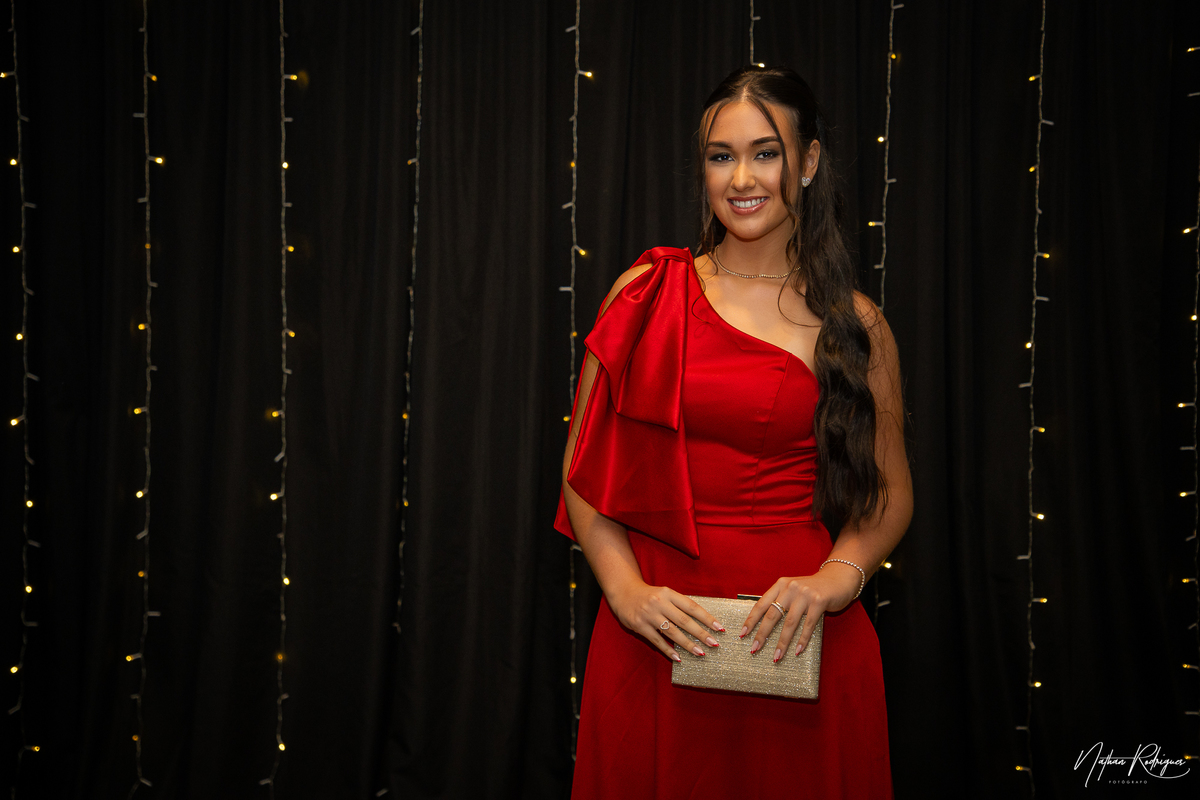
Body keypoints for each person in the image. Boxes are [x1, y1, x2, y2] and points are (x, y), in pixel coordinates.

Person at [555, 64, 912, 799]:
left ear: (808, 162)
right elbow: (582, 471)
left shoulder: (856, 323)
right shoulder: (645, 292)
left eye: (765, 153)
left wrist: (834, 582)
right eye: (722, 156)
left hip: (795, 639)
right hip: (657, 632)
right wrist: (626, 592)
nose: (742, 178)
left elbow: (888, 496)